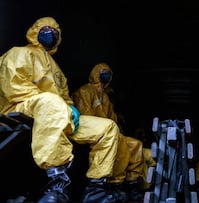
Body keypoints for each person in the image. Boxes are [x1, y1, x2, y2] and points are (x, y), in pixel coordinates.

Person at [0, 17, 128, 203]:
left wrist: (69, 108)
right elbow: (15, 88)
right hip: (22, 105)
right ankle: (57, 182)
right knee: (50, 102)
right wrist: (56, 104)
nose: (50, 34)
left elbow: (65, 97)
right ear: (35, 31)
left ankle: (97, 187)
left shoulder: (56, 68)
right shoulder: (19, 53)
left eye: (55, 33)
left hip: (57, 113)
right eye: (45, 30)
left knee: (107, 127)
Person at [72, 62, 145, 201]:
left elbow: (113, 120)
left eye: (108, 73)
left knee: (134, 144)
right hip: (90, 129)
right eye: (102, 72)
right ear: (95, 73)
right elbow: (84, 114)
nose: (106, 75)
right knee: (115, 137)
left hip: (108, 130)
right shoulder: (85, 91)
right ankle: (98, 186)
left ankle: (128, 185)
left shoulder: (105, 97)